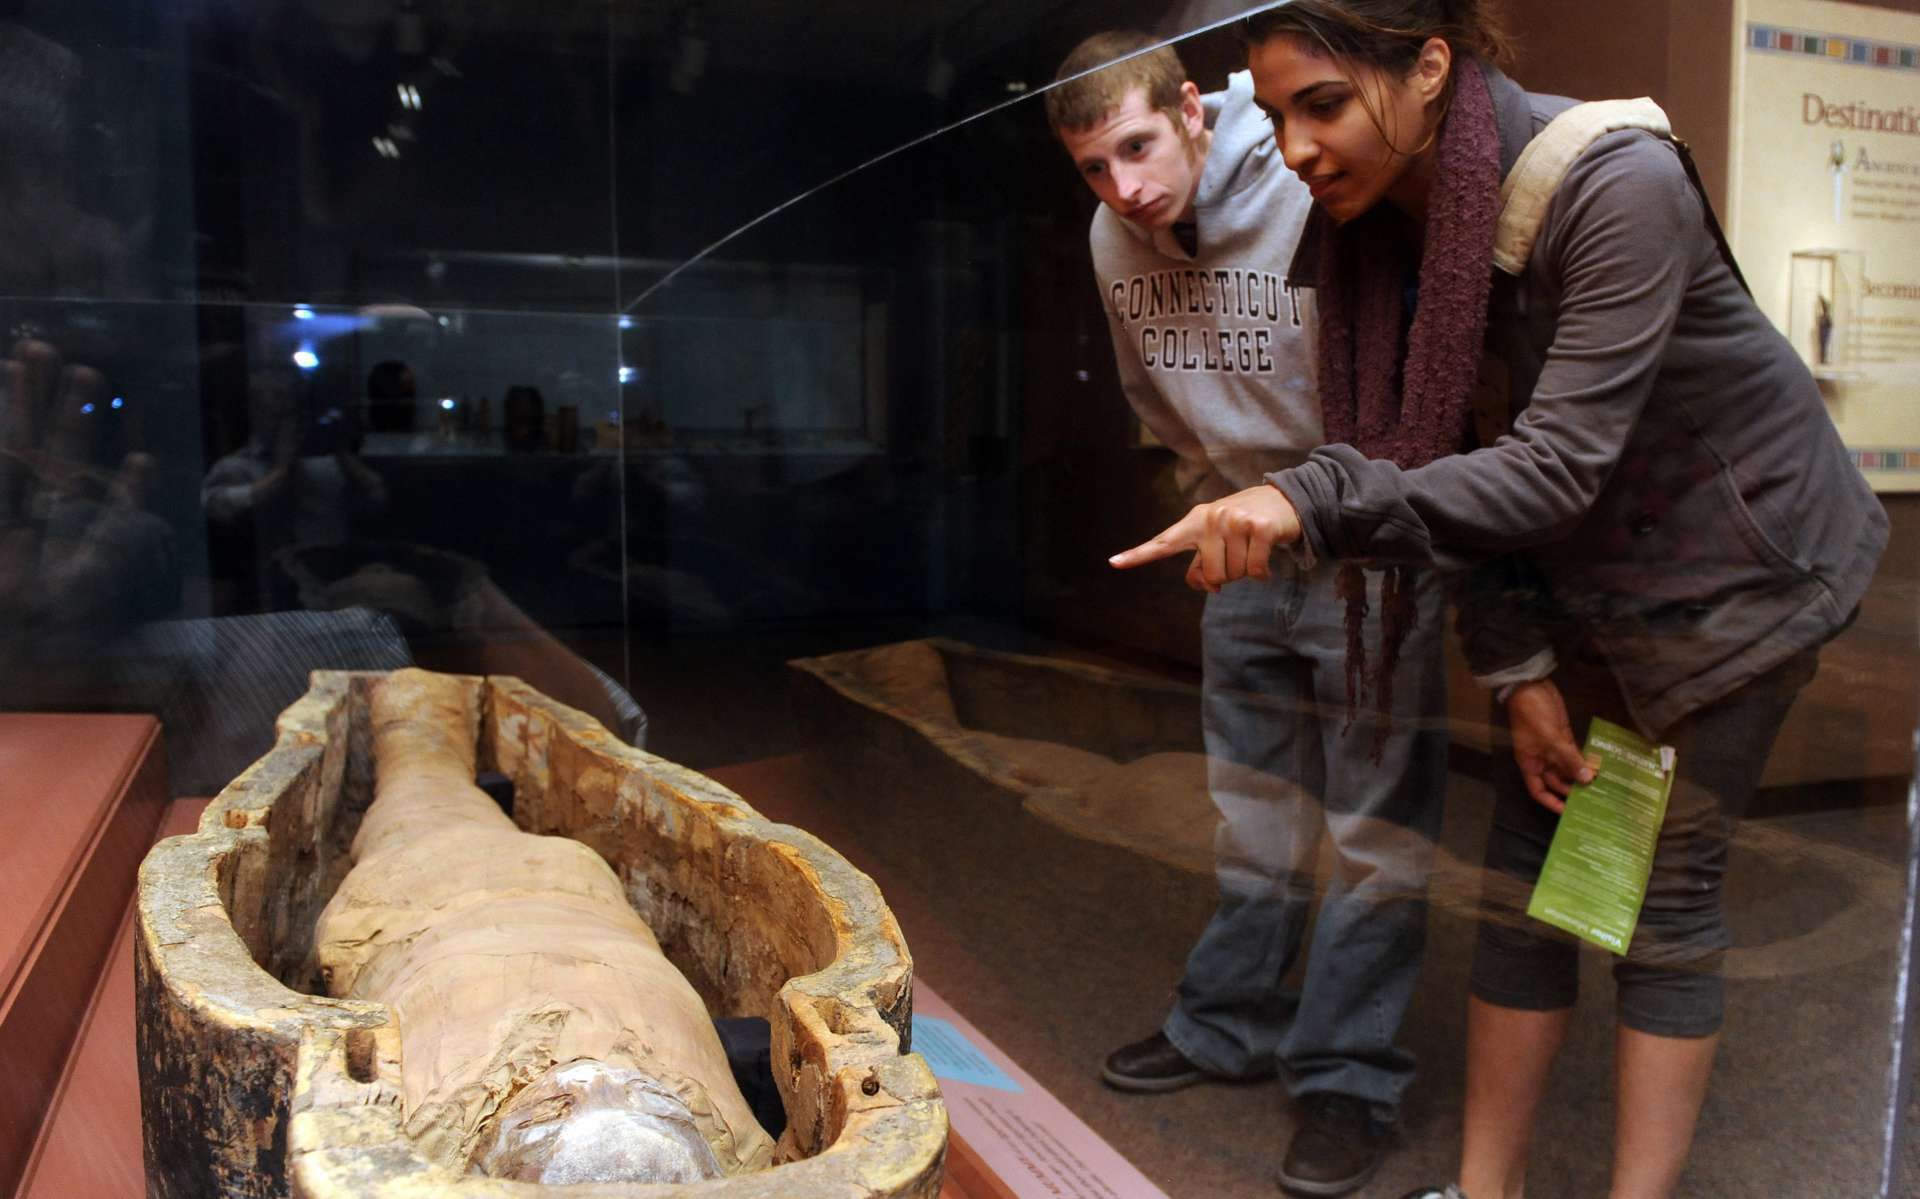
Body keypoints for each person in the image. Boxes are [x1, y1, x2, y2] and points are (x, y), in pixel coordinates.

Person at [1111, 4, 1889, 1197]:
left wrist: (1307, 498)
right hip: (1576, 588)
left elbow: (1554, 462)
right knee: (1531, 893)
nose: (1300, 147)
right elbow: (1452, 462)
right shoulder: (1389, 228)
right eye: (1276, 116)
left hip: (1732, 587)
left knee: (1657, 902)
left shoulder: (1615, 182)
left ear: (1430, 67)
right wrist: (1521, 669)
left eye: (1324, 103)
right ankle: (1486, 1192)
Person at [1049, 30, 1451, 1196]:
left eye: (1135, 146)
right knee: (1254, 809)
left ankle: (1346, 1076)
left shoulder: (1300, 179)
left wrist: (1336, 500)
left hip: (1365, 536)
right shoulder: (1106, 235)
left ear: (1188, 110)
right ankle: (1227, 1023)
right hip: (1237, 538)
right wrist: (1222, 492)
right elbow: (1148, 390)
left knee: (1376, 834)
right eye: (1092, 167)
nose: (1123, 186)